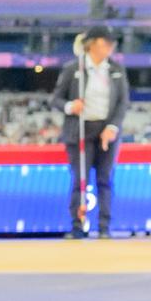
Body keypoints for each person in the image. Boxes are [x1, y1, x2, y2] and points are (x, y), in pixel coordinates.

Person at [55, 26, 127, 238]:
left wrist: (112, 127)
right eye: (106, 43)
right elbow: (56, 99)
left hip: (106, 132)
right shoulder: (73, 69)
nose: (110, 47)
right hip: (80, 130)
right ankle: (77, 225)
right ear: (93, 44)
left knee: (105, 179)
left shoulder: (116, 70)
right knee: (80, 180)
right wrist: (71, 106)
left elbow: (123, 102)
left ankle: (104, 227)